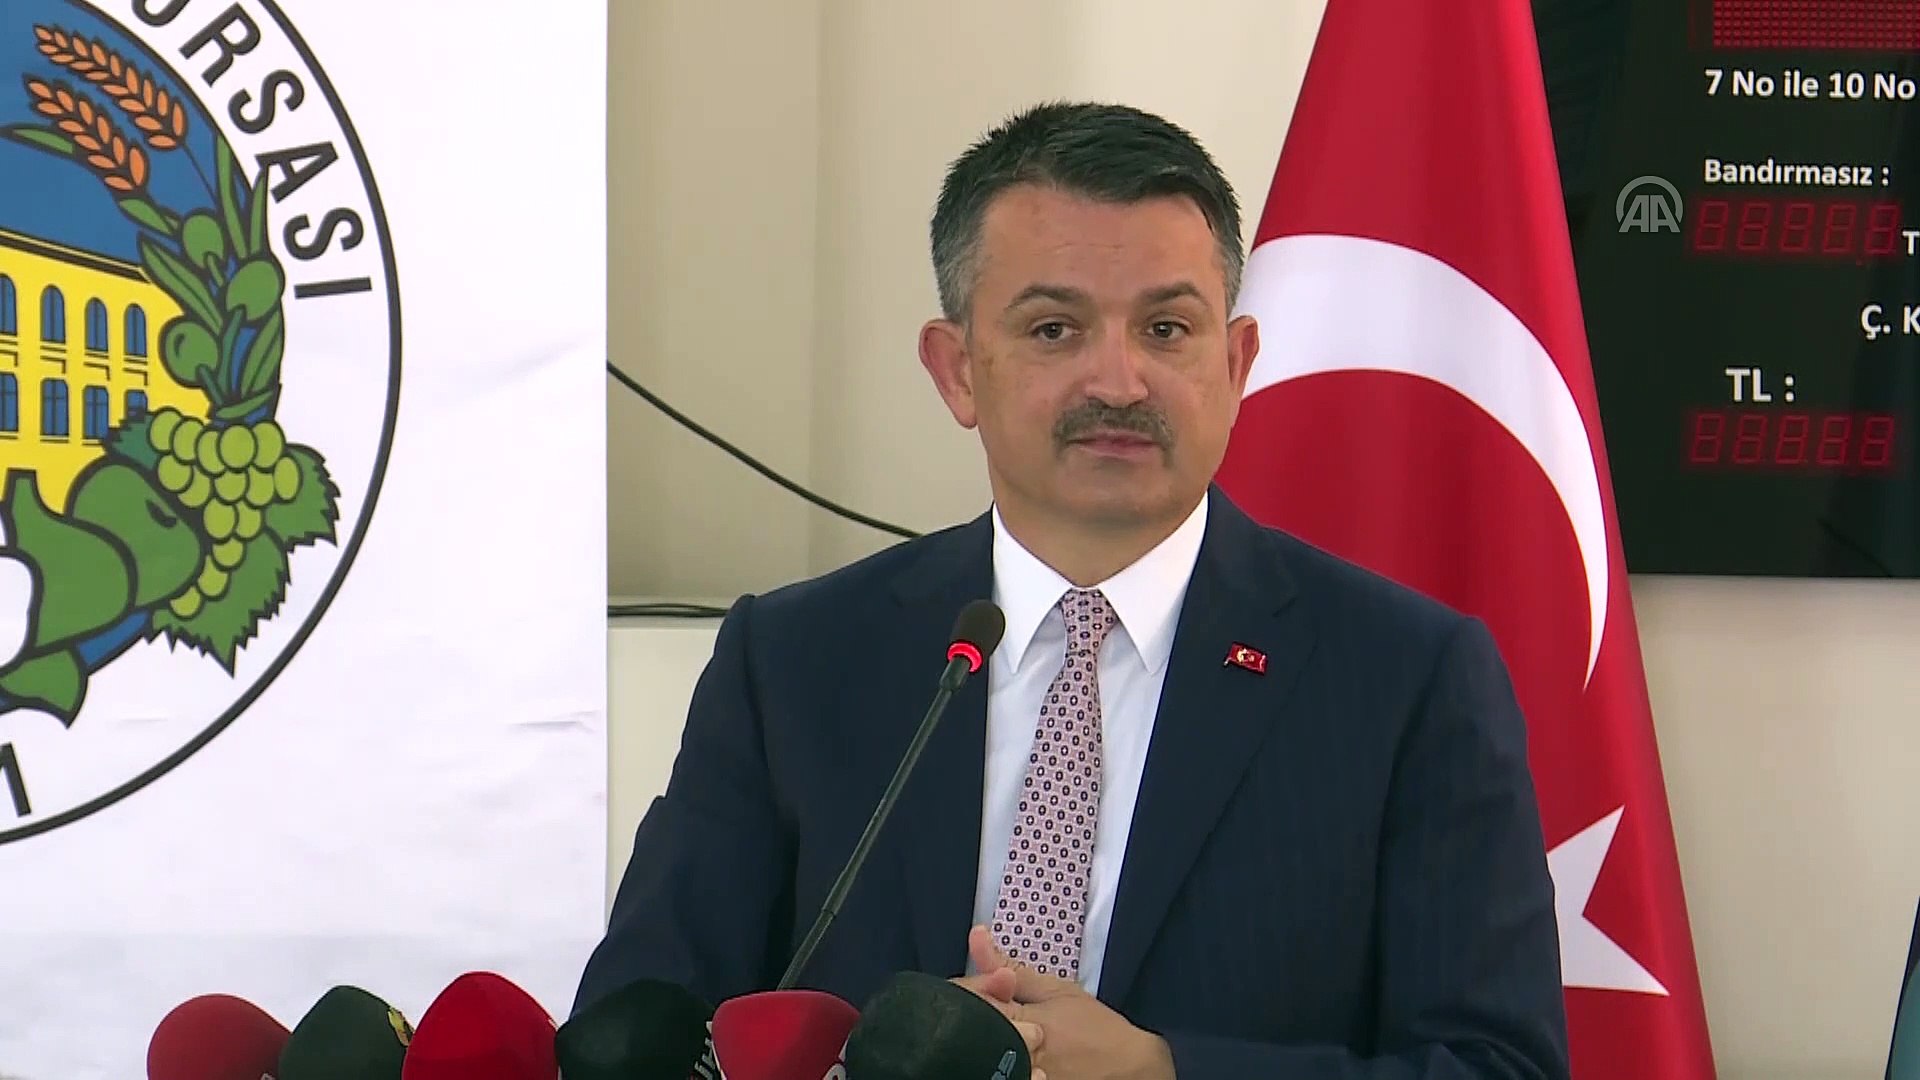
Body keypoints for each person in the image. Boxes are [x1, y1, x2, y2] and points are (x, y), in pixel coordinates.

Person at [576, 101, 1570, 1080]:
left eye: (1167, 328)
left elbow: (1498, 1067)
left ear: (1235, 365)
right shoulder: (794, 660)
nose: (1120, 381)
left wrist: (1163, 1073)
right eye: (1054, 329)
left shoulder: (1404, 679)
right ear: (958, 371)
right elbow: (638, 1029)